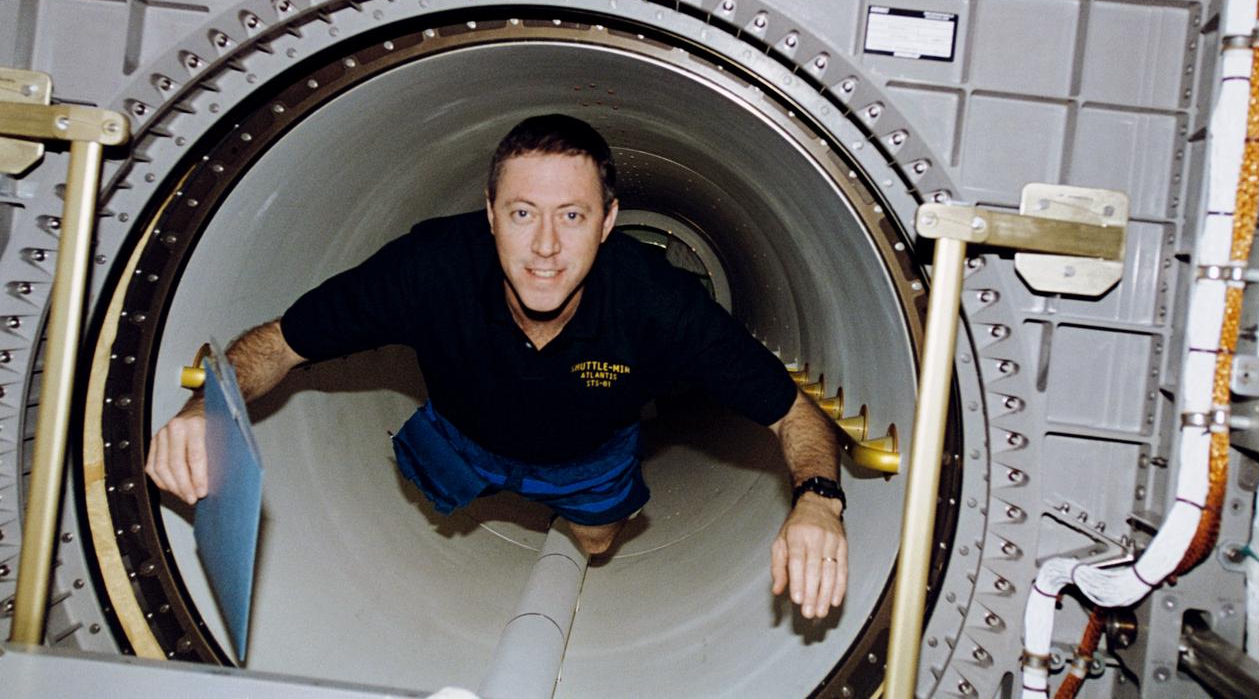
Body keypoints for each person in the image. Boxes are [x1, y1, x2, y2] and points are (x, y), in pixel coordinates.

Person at [146, 114, 849, 620]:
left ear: (608, 222)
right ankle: (495, 485)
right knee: (434, 495)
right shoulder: (429, 271)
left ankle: (573, 515)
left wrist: (818, 499)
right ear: (489, 214)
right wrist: (206, 408)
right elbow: (280, 343)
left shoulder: (660, 305)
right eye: (522, 213)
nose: (544, 246)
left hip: (587, 460)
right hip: (461, 438)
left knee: (596, 541)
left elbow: (793, 413)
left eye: (571, 216)